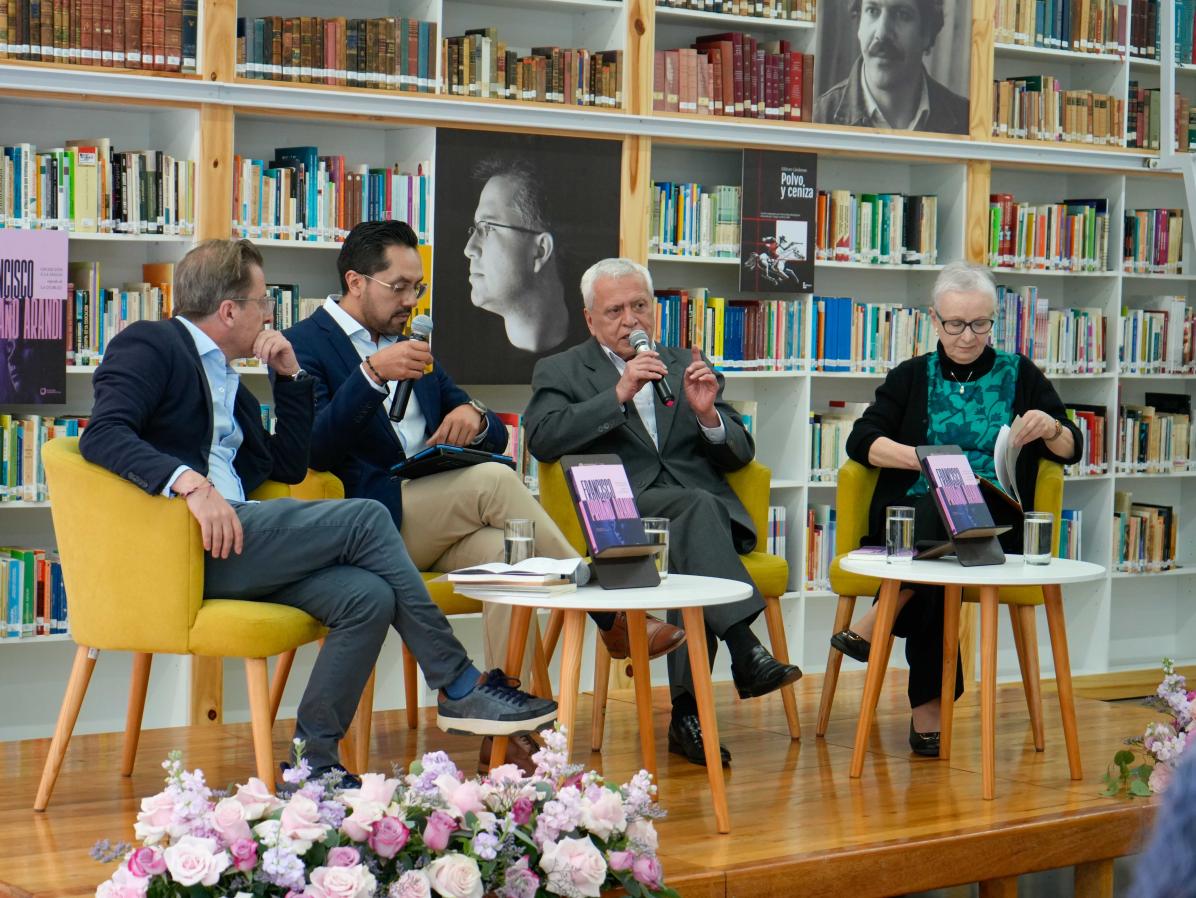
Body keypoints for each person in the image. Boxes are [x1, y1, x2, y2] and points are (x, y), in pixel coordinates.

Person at [78, 238, 557, 784]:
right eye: (263, 301)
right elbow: (103, 434)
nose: (270, 314)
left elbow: (287, 464)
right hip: (190, 547)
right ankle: (458, 682)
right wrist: (191, 484)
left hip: (243, 540)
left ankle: (313, 764)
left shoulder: (229, 382)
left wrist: (290, 381)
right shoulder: (151, 343)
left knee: (367, 596)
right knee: (366, 516)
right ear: (230, 310)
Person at [284, 221, 686, 772]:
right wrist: (371, 376)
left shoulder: (412, 340)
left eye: (418, 288)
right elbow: (313, 451)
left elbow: (495, 433)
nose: (411, 301)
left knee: (510, 554)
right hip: (371, 521)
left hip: (435, 517)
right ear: (356, 282)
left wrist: (473, 417)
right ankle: (611, 615)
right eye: (399, 287)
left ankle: (507, 730)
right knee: (496, 483)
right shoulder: (306, 344)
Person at [524, 257, 803, 767]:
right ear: (590, 319)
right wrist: (619, 393)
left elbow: (741, 452)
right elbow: (542, 438)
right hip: (617, 512)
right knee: (697, 511)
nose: (630, 320)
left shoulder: (682, 364)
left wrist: (708, 415)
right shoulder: (562, 369)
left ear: (654, 309)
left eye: (639, 306)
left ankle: (689, 714)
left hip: (698, 520)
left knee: (694, 525)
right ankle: (742, 649)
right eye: (615, 311)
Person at [835, 261, 1081, 757]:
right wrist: (924, 460)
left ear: (994, 319)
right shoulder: (910, 376)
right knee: (937, 536)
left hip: (996, 519)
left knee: (937, 531)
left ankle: (886, 611)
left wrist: (1052, 428)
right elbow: (862, 440)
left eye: (979, 323)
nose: (968, 336)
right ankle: (930, 707)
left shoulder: (1020, 373)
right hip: (919, 516)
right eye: (955, 324)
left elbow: (1071, 449)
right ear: (934, 318)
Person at [814, 0, 969, 134]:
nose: (882, 33)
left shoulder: (967, 121)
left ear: (927, 33)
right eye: (872, 11)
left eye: (902, 14)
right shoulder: (819, 119)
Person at [463, 158, 569, 354]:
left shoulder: (604, 357)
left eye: (488, 227)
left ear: (540, 251)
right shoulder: (464, 354)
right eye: (475, 229)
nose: (469, 249)